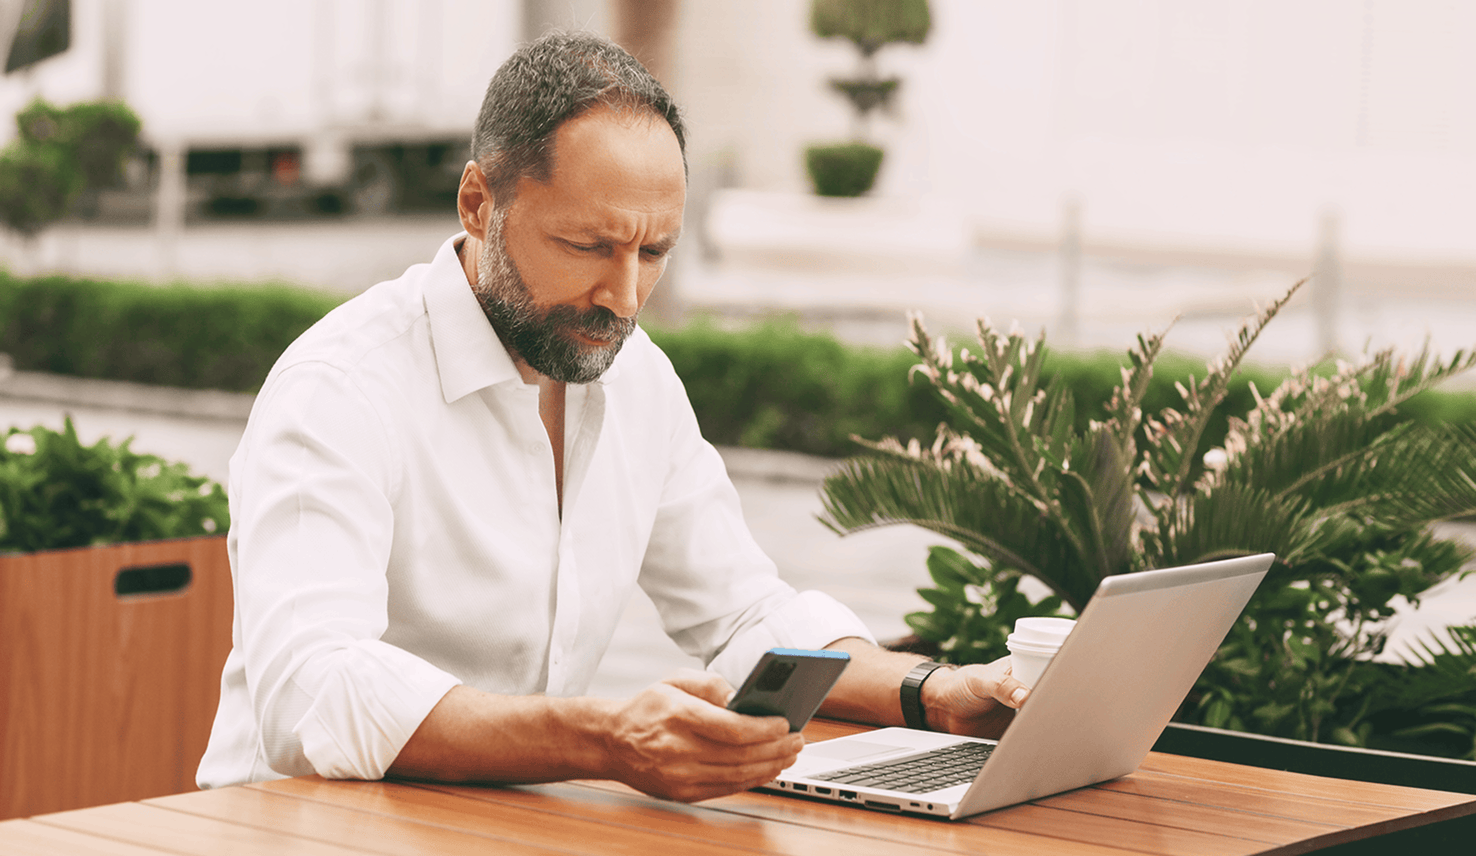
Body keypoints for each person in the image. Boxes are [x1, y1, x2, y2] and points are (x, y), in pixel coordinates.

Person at [197, 31, 1028, 803]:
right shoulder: (340, 388)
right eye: (589, 246)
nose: (624, 298)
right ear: (479, 203)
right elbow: (312, 692)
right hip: (284, 830)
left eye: (654, 252)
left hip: (498, 827)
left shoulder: (637, 379)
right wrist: (602, 738)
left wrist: (931, 694)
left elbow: (742, 613)